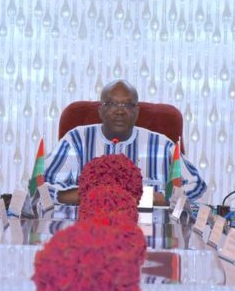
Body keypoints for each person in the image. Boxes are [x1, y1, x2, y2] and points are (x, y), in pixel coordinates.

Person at [44, 80, 206, 205]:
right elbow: (43, 187)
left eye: (128, 105)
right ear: (100, 110)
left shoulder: (161, 146)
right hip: (86, 229)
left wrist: (155, 198)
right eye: (111, 104)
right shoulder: (77, 140)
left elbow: (196, 186)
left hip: (147, 231)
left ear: (137, 111)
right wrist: (91, 196)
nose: (120, 111)